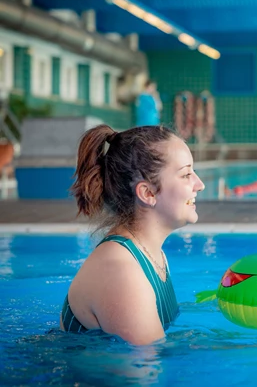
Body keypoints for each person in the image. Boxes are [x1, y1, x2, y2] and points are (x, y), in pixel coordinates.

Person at [60, 124, 205, 345]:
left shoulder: (150, 254)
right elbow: (150, 368)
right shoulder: (121, 271)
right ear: (148, 193)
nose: (200, 185)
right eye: (186, 174)